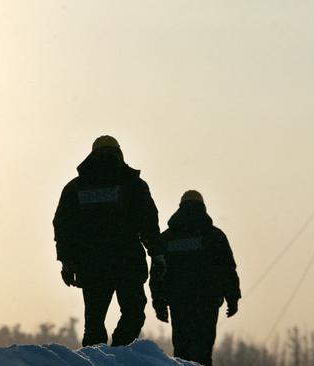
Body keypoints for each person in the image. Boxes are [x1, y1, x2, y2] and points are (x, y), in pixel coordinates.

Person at [53, 135, 166, 347]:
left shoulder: (75, 188)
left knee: (94, 322)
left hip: (91, 264)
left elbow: (63, 227)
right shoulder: (134, 185)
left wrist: (67, 262)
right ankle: (120, 353)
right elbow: (148, 223)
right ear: (119, 153)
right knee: (133, 313)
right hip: (127, 261)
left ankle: (97, 360)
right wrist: (157, 254)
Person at [150, 190, 241, 366]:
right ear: (203, 207)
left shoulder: (167, 238)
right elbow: (227, 269)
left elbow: (157, 273)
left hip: (179, 302)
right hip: (207, 303)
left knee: (181, 353)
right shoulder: (214, 236)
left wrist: (159, 302)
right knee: (203, 352)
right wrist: (232, 297)